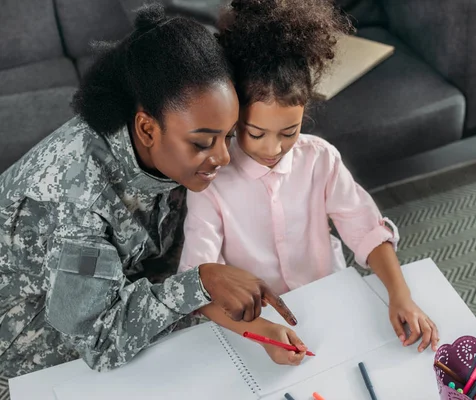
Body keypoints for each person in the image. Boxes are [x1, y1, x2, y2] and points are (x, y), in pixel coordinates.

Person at [0, 4, 296, 378]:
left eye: (228, 134)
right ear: (146, 129)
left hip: (116, 289)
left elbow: (157, 263)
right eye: (204, 142)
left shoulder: (169, 147)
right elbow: (100, 341)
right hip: (26, 338)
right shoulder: (78, 207)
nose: (223, 156)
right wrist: (202, 282)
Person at [178, 0, 440, 367]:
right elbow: (197, 283)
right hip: (253, 325)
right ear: (235, 115)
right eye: (256, 133)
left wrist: (400, 295)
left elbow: (365, 228)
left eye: (290, 132)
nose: (273, 149)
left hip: (329, 298)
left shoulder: (320, 159)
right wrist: (262, 331)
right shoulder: (212, 182)